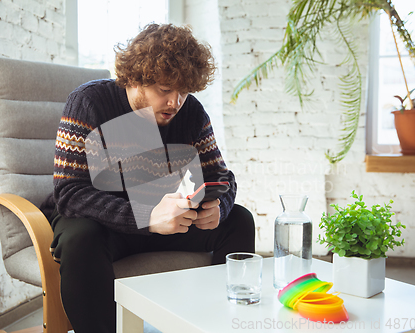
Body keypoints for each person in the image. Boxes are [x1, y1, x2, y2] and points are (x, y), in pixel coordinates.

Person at [40, 23, 255, 333]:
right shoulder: (89, 102)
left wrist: (219, 206)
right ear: (135, 78)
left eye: (183, 91)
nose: (175, 102)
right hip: (100, 223)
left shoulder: (191, 113)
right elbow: (70, 193)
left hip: (163, 219)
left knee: (239, 219)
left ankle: (218, 324)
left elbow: (222, 177)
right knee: (80, 239)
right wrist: (144, 216)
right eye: (165, 90)